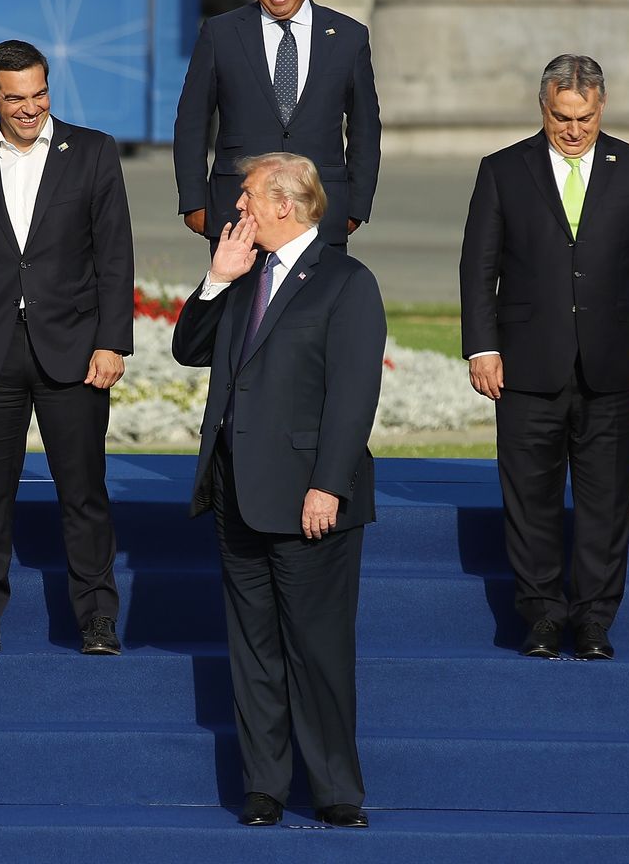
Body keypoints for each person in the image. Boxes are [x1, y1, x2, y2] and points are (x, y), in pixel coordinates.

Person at [171, 153, 384, 829]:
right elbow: (188, 349)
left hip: (307, 502)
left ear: (285, 206)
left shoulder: (346, 282)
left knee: (317, 650)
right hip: (238, 493)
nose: (241, 211)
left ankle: (334, 790)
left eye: (250, 200)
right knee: (253, 650)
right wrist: (213, 279)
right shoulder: (243, 276)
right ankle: (263, 785)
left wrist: (327, 487)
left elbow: (354, 398)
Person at [459, 55, 629, 660]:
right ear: (543, 108)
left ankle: (593, 619)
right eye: (562, 117)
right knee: (529, 499)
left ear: (601, 108)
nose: (574, 130)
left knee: (606, 501)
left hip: (613, 368)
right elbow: (478, 268)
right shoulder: (503, 170)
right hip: (527, 367)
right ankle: (540, 615)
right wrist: (483, 347)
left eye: (584, 118)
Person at [0, 41, 134, 656]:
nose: (30, 108)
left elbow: (114, 256)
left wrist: (111, 342)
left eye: (39, 94)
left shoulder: (93, 152)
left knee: (84, 491)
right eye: (15, 98)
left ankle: (96, 617)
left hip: (73, 348)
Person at [173, 0, 381, 247]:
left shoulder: (348, 37)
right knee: (242, 301)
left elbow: (366, 128)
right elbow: (191, 120)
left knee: (317, 300)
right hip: (237, 211)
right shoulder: (221, 34)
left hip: (321, 209)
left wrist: (355, 205)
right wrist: (194, 200)